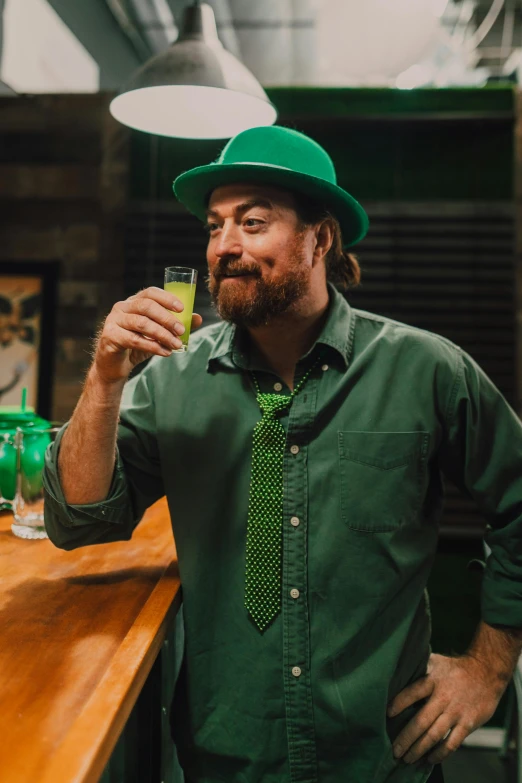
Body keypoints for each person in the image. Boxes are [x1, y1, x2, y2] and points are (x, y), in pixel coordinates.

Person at [43, 126, 522, 783]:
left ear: (320, 239)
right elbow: (80, 519)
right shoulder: (167, 379)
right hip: (223, 756)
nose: (225, 246)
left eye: (253, 221)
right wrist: (102, 376)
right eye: (214, 227)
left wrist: (486, 669)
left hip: (382, 756)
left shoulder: (425, 369)